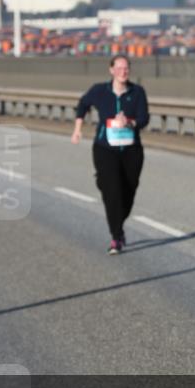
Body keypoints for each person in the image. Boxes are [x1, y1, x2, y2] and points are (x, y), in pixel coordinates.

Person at [70, 54, 150, 255]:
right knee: (112, 191)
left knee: (129, 191)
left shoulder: (137, 92)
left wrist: (130, 122)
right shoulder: (100, 91)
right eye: (119, 68)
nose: (123, 72)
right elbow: (83, 104)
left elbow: (144, 118)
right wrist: (77, 129)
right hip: (105, 149)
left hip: (131, 150)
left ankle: (117, 218)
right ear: (111, 70)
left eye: (126, 68)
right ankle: (116, 236)